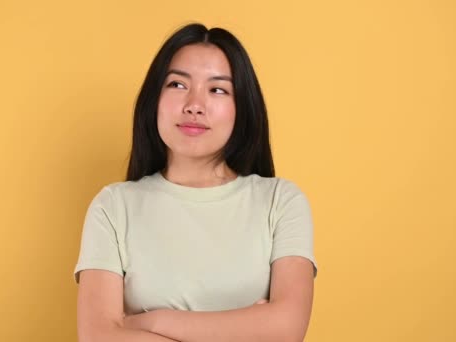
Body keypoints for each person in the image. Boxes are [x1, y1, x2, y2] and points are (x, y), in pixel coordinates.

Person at [74, 23, 318, 342]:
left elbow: (286, 330)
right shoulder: (113, 206)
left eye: (217, 89)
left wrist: (150, 321)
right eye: (177, 84)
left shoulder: (281, 201)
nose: (194, 105)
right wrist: (250, 325)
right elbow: (98, 337)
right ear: (154, 99)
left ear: (242, 107)